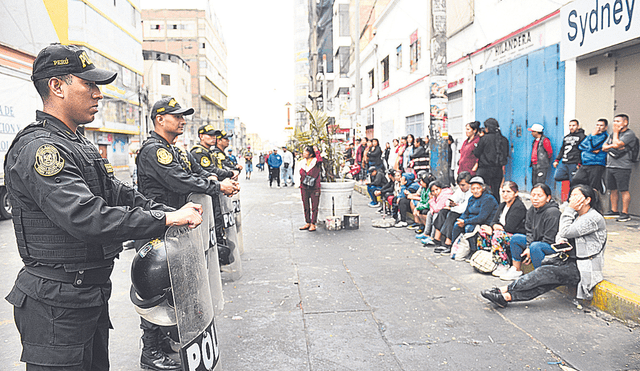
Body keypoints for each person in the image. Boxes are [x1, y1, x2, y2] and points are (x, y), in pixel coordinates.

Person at [4, 44, 204, 371]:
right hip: (55, 302)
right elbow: (86, 217)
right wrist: (165, 217)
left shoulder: (78, 143)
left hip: (85, 296)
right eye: (89, 85)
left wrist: (166, 212)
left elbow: (117, 193)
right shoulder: (41, 149)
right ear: (57, 86)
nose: (99, 94)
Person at [136, 97, 239, 370]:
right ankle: (150, 351)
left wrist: (217, 179)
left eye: (184, 116)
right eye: (177, 116)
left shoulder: (175, 150)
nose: (183, 120)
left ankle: (166, 340)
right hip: (156, 228)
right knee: (155, 291)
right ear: (160, 119)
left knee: (177, 289)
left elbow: (198, 172)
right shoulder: (153, 150)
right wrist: (216, 187)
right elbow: (177, 179)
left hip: (177, 228)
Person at [481, 184, 606, 307]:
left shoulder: (593, 218)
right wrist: (562, 241)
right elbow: (560, 235)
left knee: (544, 272)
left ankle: (504, 290)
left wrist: (569, 209)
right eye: (571, 195)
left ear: (587, 200)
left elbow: (565, 231)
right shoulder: (576, 215)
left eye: (576, 196)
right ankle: (507, 297)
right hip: (568, 260)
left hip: (583, 267)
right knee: (544, 282)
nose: (571, 200)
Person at [499, 183, 561, 281]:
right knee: (516, 238)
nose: (535, 198)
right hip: (536, 242)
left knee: (535, 246)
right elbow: (529, 231)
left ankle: (540, 277)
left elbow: (549, 238)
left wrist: (531, 249)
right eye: (533, 195)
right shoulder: (532, 210)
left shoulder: (553, 212)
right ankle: (516, 269)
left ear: (548, 198)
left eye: (539, 196)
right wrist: (528, 247)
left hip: (551, 245)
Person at [477, 181, 528, 277]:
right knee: (483, 230)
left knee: (497, 236)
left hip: (515, 235)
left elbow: (510, 228)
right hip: (501, 231)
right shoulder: (503, 205)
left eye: (508, 192)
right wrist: (492, 228)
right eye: (503, 191)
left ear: (515, 193)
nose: (505, 194)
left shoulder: (518, 206)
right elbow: (493, 221)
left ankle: (503, 264)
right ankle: (487, 259)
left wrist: (496, 228)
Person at [437, 176, 498, 254]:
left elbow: (481, 218)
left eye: (478, 188)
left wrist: (465, 222)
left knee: (469, 228)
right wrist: (461, 220)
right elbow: (466, 213)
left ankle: (473, 251)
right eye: (473, 189)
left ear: (483, 188)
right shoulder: (471, 199)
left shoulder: (488, 198)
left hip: (484, 223)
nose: (475, 191)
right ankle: (454, 247)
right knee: (457, 224)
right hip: (472, 220)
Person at [602, 113, 637, 222]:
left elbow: (617, 144)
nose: (615, 124)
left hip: (622, 167)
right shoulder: (612, 135)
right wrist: (613, 145)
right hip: (610, 165)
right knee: (613, 189)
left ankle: (625, 213)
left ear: (625, 122)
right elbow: (604, 147)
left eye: (618, 121)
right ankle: (614, 210)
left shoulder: (629, 134)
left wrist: (616, 134)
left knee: (623, 190)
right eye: (614, 121)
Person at [429, 171, 473, 249]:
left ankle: (448, 242)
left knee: (452, 215)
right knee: (443, 212)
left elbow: (463, 208)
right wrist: (450, 203)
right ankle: (437, 238)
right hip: (457, 209)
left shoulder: (471, 192)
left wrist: (453, 206)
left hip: (466, 213)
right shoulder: (460, 190)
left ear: (469, 183)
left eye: (463, 185)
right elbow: (449, 201)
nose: (461, 187)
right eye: (459, 185)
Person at [473, 118, 509, 201]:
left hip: (484, 170)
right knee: (496, 192)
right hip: (497, 170)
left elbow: (477, 153)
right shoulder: (504, 140)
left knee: (482, 191)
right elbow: (506, 154)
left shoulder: (484, 139)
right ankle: (496, 210)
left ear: (487, 128)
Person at [572, 118, 608, 193]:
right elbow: (581, 146)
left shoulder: (605, 137)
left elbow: (594, 146)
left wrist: (592, 137)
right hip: (585, 163)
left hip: (596, 163)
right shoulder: (590, 136)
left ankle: (594, 203)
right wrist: (590, 148)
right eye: (597, 125)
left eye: (601, 125)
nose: (598, 127)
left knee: (593, 187)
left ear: (605, 127)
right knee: (576, 180)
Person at [553, 119, 585, 184]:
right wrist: (557, 160)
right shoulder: (566, 137)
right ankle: (572, 176)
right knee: (557, 176)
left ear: (578, 126)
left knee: (573, 182)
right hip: (565, 162)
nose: (571, 127)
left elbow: (583, 151)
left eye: (573, 125)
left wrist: (579, 163)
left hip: (574, 162)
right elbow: (562, 149)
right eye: (570, 125)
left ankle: (574, 179)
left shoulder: (582, 136)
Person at [299, 146, 322, 232]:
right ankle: (307, 222)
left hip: (314, 187)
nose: (304, 153)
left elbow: (320, 160)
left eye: (306, 151)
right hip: (304, 186)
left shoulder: (316, 161)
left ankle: (313, 223)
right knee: (305, 205)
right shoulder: (302, 162)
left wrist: (317, 151)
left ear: (311, 154)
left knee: (314, 206)